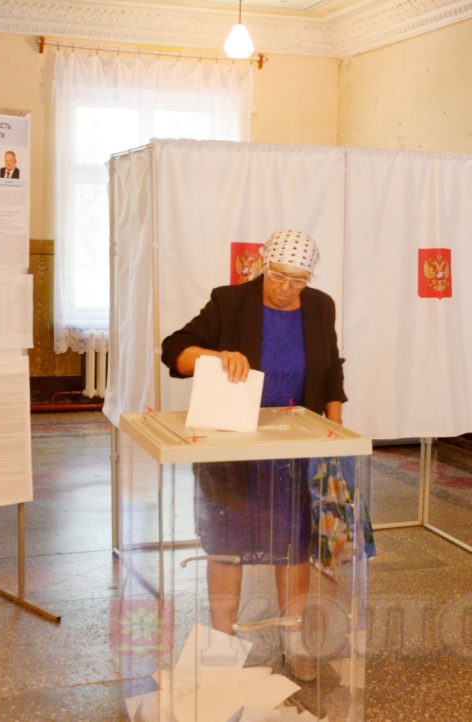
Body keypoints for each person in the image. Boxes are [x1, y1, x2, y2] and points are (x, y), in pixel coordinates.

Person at [161, 229, 344, 680]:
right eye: (279, 276)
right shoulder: (230, 301)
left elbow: (330, 371)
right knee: (227, 545)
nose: (286, 289)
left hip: (296, 445)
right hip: (233, 444)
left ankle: (294, 643)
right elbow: (174, 351)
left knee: (293, 545)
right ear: (263, 265)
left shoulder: (320, 306)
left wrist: (336, 434)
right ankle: (222, 643)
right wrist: (215, 355)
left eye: (298, 280)